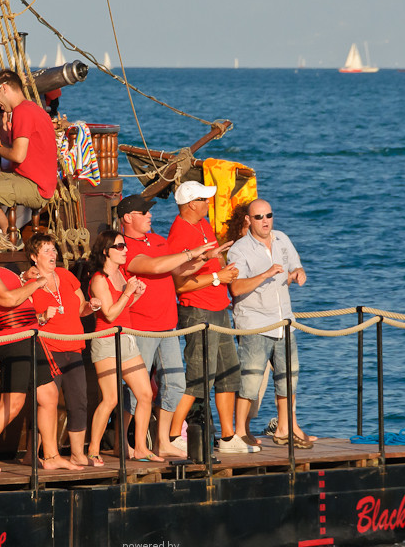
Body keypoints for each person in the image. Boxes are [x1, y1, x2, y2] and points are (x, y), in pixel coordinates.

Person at [0, 220, 81, 471]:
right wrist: (37, 283)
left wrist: (22, 278)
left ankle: (50, 457)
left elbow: (11, 288)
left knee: (49, 395)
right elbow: (6, 299)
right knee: (12, 403)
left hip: (29, 336)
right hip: (13, 340)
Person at [119, 194, 214, 457]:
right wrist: (189, 252)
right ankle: (121, 441)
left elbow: (176, 270)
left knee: (175, 383)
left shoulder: (158, 240)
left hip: (168, 325)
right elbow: (153, 265)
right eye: (144, 212)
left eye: (149, 212)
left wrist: (205, 258)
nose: (150, 215)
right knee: (135, 389)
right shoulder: (124, 246)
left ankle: (162, 440)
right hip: (141, 326)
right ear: (128, 218)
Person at [165, 181, 258, 454]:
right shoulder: (180, 232)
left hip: (218, 307)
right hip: (197, 310)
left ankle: (228, 437)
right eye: (204, 200)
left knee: (229, 372)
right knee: (198, 376)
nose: (208, 203)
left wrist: (219, 263)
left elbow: (206, 264)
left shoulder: (202, 225)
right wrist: (219, 276)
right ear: (191, 204)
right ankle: (173, 435)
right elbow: (180, 284)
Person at [227, 198, 313, 449]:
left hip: (284, 321)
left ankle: (287, 428)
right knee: (250, 381)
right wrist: (265, 274)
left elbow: (296, 266)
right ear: (248, 220)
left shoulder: (282, 239)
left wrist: (298, 274)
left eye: (268, 216)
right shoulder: (239, 249)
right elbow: (235, 287)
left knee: (289, 377)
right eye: (258, 217)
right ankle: (240, 431)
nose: (265, 221)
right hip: (255, 323)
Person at [86, 230, 162, 464]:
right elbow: (109, 314)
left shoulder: (121, 274)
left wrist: (135, 295)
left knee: (145, 394)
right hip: (106, 340)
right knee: (110, 399)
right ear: (105, 251)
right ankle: (93, 449)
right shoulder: (99, 279)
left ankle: (140, 447)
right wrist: (128, 292)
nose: (125, 250)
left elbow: (123, 309)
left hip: (126, 338)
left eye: (125, 246)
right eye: (119, 247)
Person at [24, 233, 94, 467]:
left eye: (53, 250)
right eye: (46, 251)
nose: (52, 254)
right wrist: (43, 317)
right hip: (48, 348)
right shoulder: (29, 283)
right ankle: (39, 453)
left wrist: (91, 307)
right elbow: (24, 318)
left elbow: (81, 307)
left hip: (74, 346)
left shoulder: (65, 275)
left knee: (79, 400)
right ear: (34, 257)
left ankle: (77, 453)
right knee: (47, 403)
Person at [0, 69, 58, 237]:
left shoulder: (21, 112)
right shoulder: (33, 108)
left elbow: (18, 155)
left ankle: (8, 236)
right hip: (33, 181)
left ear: (4, 89)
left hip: (35, 187)